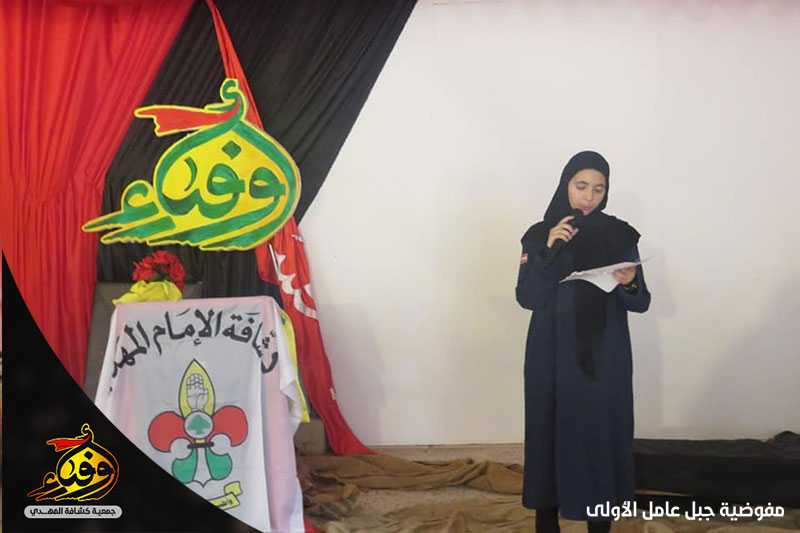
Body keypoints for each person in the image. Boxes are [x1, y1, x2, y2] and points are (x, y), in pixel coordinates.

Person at [516, 151, 650, 532]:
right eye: (581, 186)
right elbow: (527, 297)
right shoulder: (539, 234)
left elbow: (641, 302)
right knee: (548, 434)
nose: (589, 197)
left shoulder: (621, 236)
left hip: (603, 354)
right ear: (566, 185)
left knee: (599, 436)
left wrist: (631, 283)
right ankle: (546, 524)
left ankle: (599, 525)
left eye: (598, 189)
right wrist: (548, 251)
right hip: (550, 352)